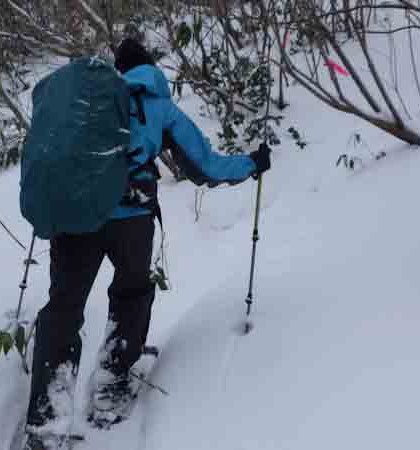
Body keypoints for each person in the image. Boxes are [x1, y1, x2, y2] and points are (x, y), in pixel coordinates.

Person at [25, 38, 271, 446]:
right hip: (131, 220)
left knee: (63, 309)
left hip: (74, 220)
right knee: (131, 293)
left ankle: (46, 417)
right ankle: (111, 384)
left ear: (117, 69)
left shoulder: (89, 101)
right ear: (150, 67)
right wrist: (252, 164)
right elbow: (205, 166)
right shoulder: (157, 104)